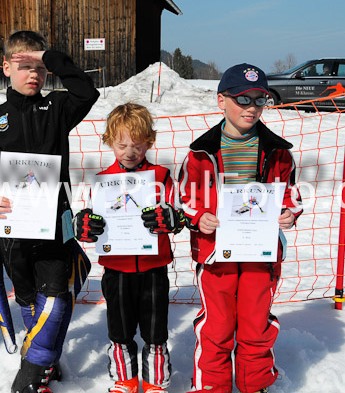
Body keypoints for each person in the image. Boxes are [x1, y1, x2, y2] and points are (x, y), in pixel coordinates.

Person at [0, 30, 99, 393]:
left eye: (40, 68)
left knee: (55, 298)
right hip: (12, 229)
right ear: (6, 67)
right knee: (29, 300)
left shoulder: (57, 108)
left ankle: (31, 372)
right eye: (25, 66)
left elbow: (88, 92)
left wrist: (52, 57)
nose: (34, 75)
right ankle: (46, 363)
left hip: (56, 225)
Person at [177, 64, 303, 393]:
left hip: (260, 252)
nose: (251, 107)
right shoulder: (200, 152)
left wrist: (289, 212)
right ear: (221, 101)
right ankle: (212, 387)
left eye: (260, 100)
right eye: (242, 99)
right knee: (217, 326)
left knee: (255, 323)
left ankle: (254, 384)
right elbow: (185, 197)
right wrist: (199, 217)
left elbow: (291, 193)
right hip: (216, 252)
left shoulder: (278, 152)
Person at [74, 103, 185, 393]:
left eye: (137, 145)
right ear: (110, 142)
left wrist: (171, 217)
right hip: (116, 268)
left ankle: (155, 382)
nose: (130, 152)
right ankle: (124, 379)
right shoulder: (102, 182)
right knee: (120, 329)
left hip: (153, 267)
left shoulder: (161, 176)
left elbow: (179, 212)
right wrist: (84, 225)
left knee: (154, 329)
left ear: (149, 141)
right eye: (122, 145)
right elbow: (90, 220)